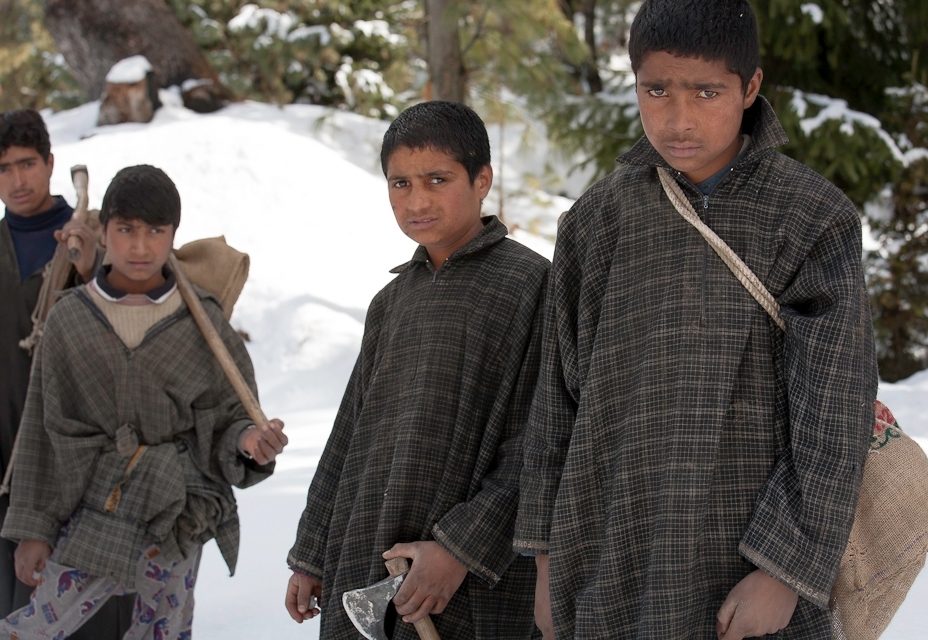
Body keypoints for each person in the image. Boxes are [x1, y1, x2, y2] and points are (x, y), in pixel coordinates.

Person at [513, 1, 878, 639]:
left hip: (744, 563)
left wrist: (782, 571)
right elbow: (555, 406)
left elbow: (835, 413)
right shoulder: (596, 220)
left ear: (751, 88)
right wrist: (547, 560)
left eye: (707, 92)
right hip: (608, 548)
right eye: (657, 90)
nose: (679, 119)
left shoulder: (813, 218)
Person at [285, 101, 549, 639]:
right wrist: (312, 551)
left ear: (482, 180)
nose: (417, 200)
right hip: (367, 551)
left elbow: (542, 444)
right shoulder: (390, 302)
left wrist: (459, 548)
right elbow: (348, 436)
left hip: (467, 578)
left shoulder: (531, 286)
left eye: (437, 179)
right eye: (399, 184)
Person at [0, 164, 288, 639]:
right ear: (105, 231)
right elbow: (41, 431)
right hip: (90, 507)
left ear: (174, 235)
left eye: (156, 231)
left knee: (163, 631)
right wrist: (35, 528)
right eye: (126, 230)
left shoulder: (201, 321)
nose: (139, 246)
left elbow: (227, 417)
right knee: (37, 626)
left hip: (175, 510)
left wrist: (248, 440)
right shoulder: (70, 319)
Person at [0, 109, 138, 639]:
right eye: (5, 167)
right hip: (6, 467)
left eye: (28, 164)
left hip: (81, 466)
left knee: (88, 617)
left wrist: (88, 269)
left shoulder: (96, 240)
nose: (17, 180)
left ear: (51, 162)